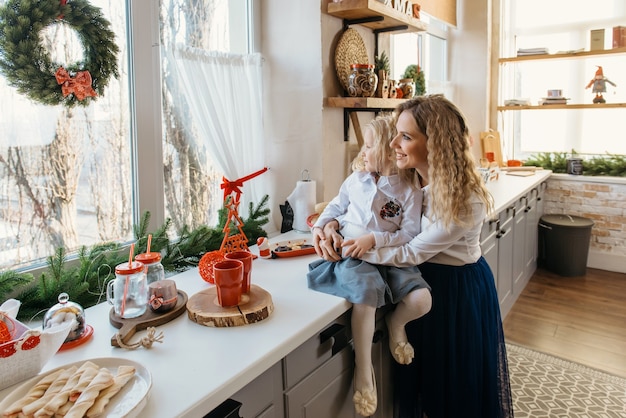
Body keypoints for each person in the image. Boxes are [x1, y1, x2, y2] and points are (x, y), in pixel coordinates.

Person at [313, 95, 514, 418]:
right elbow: (364, 209)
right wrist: (329, 225)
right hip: (418, 280)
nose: (394, 143)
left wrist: (349, 247)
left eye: (405, 136)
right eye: (396, 134)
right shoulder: (409, 178)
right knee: (421, 383)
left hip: (454, 291)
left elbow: (411, 250)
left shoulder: (465, 198)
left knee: (453, 389)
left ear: (435, 144)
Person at [308, 114, 433, 417]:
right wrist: (323, 226)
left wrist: (374, 239)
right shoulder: (355, 181)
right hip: (355, 257)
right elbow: (334, 209)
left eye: (369, 146)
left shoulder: (409, 189)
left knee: (422, 300)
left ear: (390, 151)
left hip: (389, 257)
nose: (362, 153)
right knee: (365, 298)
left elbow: (410, 232)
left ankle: (396, 324)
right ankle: (364, 370)